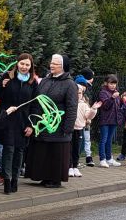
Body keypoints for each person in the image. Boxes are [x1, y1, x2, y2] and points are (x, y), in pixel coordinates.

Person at [24, 54, 78, 187]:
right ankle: (44, 176)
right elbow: (37, 99)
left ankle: (55, 179)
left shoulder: (70, 84)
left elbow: (72, 107)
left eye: (55, 64)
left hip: (59, 125)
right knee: (43, 152)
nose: (52, 65)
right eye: (51, 63)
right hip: (43, 124)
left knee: (55, 153)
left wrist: (68, 128)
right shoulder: (45, 80)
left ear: (63, 66)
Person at [0, 53, 36, 193]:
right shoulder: (7, 77)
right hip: (8, 120)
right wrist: (1, 85)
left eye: (27, 65)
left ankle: (15, 180)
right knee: (8, 150)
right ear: (17, 63)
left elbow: (35, 105)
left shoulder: (33, 82)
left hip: (23, 122)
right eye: (22, 63)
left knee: (19, 151)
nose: (24, 67)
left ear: (31, 66)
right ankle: (7, 180)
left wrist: (31, 125)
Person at [71, 77, 101, 177]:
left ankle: (75, 167)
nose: (78, 95)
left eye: (79, 93)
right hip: (69, 129)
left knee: (77, 149)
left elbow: (88, 116)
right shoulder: (69, 103)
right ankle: (69, 167)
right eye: (75, 93)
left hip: (79, 129)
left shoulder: (84, 105)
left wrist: (93, 109)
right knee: (69, 149)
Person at [97, 75, 121, 167]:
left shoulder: (116, 93)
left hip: (113, 120)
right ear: (106, 83)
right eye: (111, 83)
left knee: (109, 140)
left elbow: (118, 106)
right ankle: (102, 159)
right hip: (105, 120)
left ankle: (109, 158)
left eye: (114, 83)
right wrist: (112, 98)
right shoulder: (103, 93)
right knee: (103, 139)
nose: (113, 85)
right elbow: (106, 106)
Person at [78, 68, 96, 166]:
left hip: (87, 118)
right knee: (81, 139)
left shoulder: (88, 89)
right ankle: (78, 158)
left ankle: (88, 156)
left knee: (87, 138)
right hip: (80, 120)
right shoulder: (83, 89)